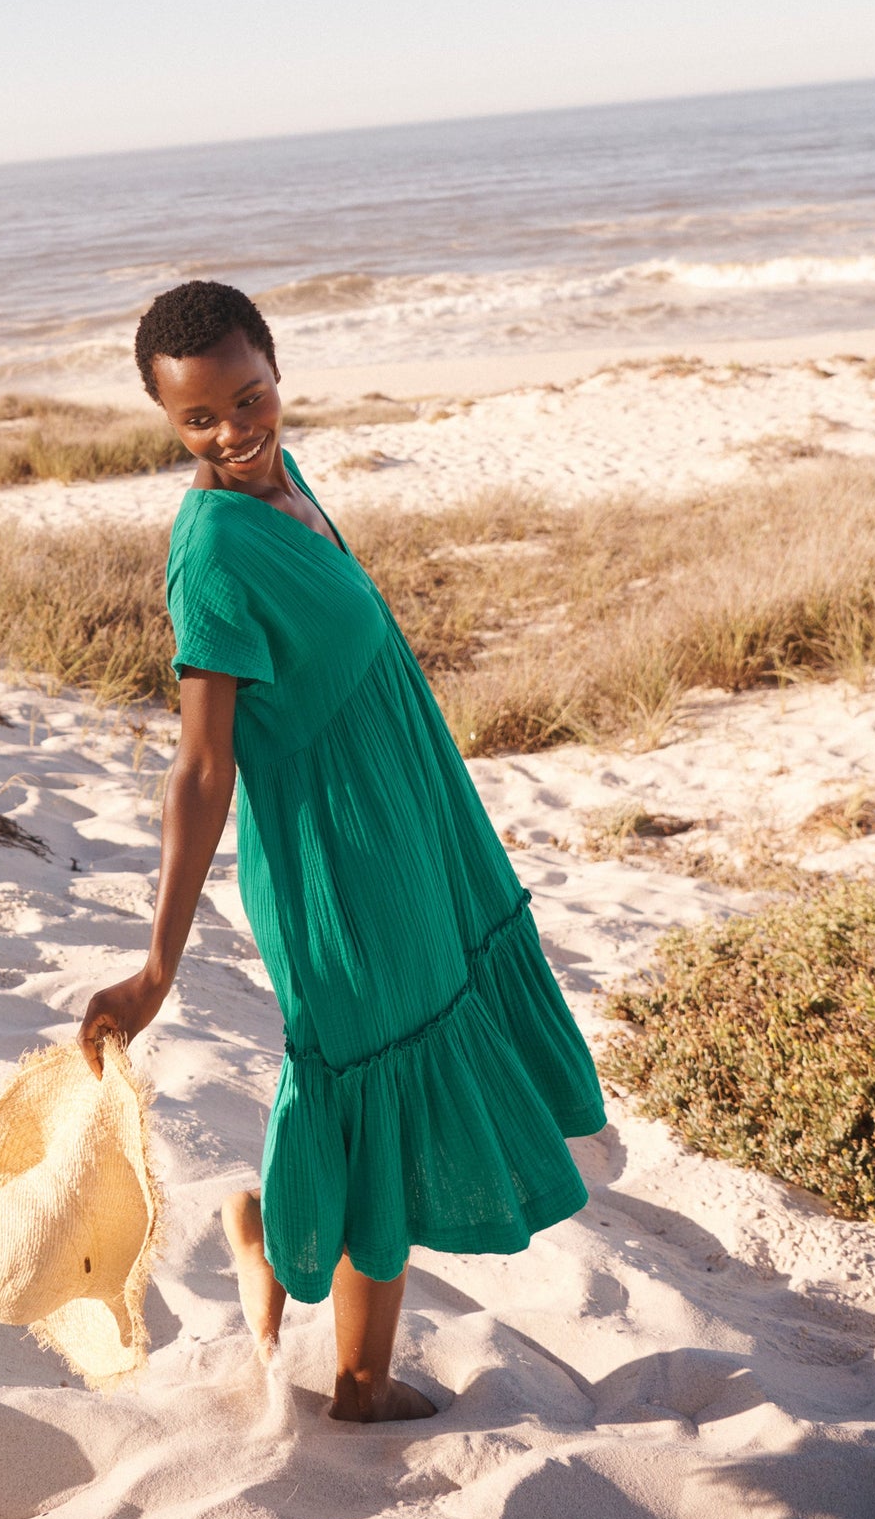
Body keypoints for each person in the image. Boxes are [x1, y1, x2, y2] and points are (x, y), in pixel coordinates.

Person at [79, 280, 606, 1423]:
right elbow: (203, 767)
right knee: (377, 1084)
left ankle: (274, 1228)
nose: (233, 433)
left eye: (249, 398)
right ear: (170, 424)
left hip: (411, 824)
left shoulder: (287, 483)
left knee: (404, 1069)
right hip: (335, 864)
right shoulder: (211, 546)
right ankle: (360, 1386)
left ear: (277, 372)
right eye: (200, 421)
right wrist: (158, 966)